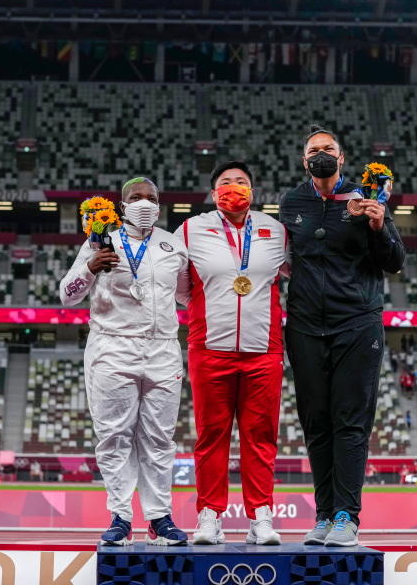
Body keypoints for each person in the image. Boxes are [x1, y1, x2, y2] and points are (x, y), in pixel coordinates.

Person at [279, 124, 404, 546]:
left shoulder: (366, 198)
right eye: (314, 150)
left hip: (357, 325)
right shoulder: (291, 203)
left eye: (328, 149)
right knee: (317, 425)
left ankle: (347, 516)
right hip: (304, 327)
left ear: (342, 157)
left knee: (350, 424)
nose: (321, 155)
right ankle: (324, 515)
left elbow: (394, 262)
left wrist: (380, 225)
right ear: (303, 160)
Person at [60, 176, 191, 547]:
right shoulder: (100, 240)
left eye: (151, 198)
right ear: (122, 205)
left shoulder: (173, 244)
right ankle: (120, 516)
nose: (144, 203)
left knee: (159, 438)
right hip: (112, 347)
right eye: (136, 197)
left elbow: (186, 296)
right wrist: (89, 268)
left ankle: (159, 517)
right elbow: (67, 294)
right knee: (114, 436)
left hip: (163, 348)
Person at [174, 160, 290, 546]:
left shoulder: (276, 232)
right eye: (226, 182)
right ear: (213, 193)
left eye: (242, 182)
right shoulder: (190, 229)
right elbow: (179, 286)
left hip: (264, 350)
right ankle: (209, 516)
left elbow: (297, 272)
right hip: (209, 348)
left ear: (253, 192)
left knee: (261, 436)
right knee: (211, 436)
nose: (234, 187)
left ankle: (261, 517)